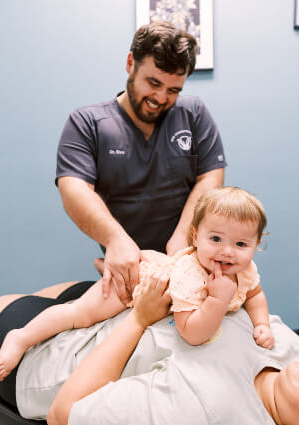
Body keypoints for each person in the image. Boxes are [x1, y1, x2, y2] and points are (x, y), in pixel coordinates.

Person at [0, 278, 299, 425]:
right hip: (101, 310)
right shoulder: (292, 349)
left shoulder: (204, 411)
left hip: (50, 357)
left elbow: (66, 414)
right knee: (35, 297)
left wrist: (139, 318)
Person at [0, 187, 275, 381]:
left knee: (150, 264)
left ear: (256, 244)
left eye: (240, 244)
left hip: (159, 264)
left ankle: (110, 266)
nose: (227, 251)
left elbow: (255, 295)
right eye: (215, 239)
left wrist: (261, 323)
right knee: (80, 314)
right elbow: (191, 332)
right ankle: (22, 336)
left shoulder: (246, 269)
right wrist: (216, 301)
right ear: (195, 235)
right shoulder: (192, 277)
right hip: (139, 284)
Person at [55, 20, 226, 305]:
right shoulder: (87, 123)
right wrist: (116, 240)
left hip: (191, 266)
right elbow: (74, 189)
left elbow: (210, 177)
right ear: (130, 63)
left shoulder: (193, 113)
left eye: (173, 90)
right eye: (153, 83)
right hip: (129, 274)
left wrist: (181, 242)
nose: (160, 98)